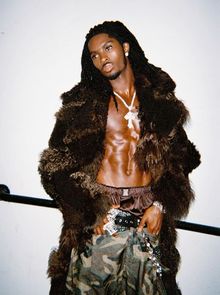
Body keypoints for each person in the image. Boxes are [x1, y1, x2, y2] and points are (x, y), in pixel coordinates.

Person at [38, 21, 201, 295]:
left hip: (147, 218)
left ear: (125, 47)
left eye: (107, 48)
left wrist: (160, 205)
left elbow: (183, 158)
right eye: (95, 55)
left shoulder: (158, 102)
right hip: (103, 218)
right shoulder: (83, 106)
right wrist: (90, 210)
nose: (102, 58)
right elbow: (54, 166)